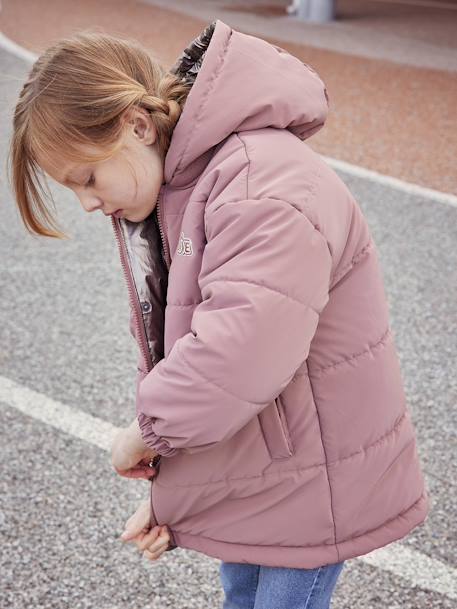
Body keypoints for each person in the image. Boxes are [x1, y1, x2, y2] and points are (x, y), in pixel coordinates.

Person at [8, 18, 429, 609]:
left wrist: (145, 433)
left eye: (88, 177)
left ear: (137, 123)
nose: (87, 204)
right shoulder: (192, 186)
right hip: (271, 473)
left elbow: (237, 354)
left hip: (311, 482)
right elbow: (210, 364)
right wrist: (171, 498)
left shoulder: (260, 184)